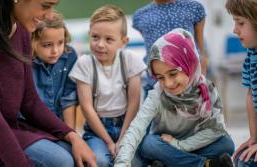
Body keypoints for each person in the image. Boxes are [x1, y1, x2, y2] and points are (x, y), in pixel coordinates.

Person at [0, 0, 97, 167]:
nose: (50, 15)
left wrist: (72, 136)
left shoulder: (21, 31)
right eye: (45, 6)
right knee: (61, 161)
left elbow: (30, 101)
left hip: (12, 129)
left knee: (74, 154)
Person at [114, 28, 234, 167]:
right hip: (165, 146)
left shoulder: (207, 90)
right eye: (160, 77)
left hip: (194, 144)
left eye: (173, 73)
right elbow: (136, 128)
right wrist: (122, 163)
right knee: (149, 144)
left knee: (226, 143)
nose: (168, 83)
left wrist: (179, 145)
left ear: (189, 63)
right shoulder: (157, 95)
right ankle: (206, 164)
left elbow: (214, 130)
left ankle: (172, 163)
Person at [69, 4, 147, 167]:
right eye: (95, 37)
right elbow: (87, 108)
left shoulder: (130, 61)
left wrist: (124, 137)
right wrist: (109, 142)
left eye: (109, 39)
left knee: (134, 162)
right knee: (101, 161)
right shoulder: (85, 64)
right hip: (97, 130)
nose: (100, 44)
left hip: (127, 125)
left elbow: (134, 103)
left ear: (123, 42)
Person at [132, 0, 208, 97]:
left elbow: (201, 51)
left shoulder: (194, 8)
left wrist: (201, 83)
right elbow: (152, 48)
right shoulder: (140, 15)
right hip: (155, 85)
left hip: (188, 85)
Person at [31, 11, 78, 129]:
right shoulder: (25, 61)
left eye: (60, 43)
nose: (55, 51)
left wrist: (71, 134)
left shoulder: (70, 56)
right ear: (33, 42)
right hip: (32, 129)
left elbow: (69, 98)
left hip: (60, 127)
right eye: (47, 45)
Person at [226, 0, 257, 166]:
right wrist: (254, 137)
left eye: (241, 23)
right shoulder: (251, 54)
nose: (235, 30)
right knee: (241, 158)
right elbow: (251, 95)